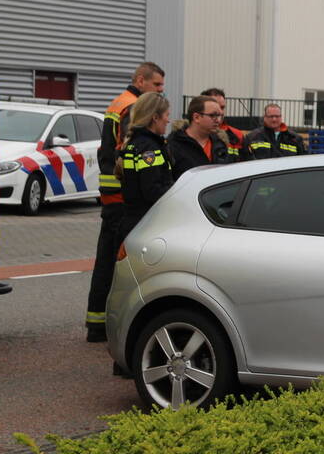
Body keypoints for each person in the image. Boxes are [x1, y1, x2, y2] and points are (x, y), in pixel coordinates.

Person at [85, 62, 165, 342]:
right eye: (156, 85)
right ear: (141, 81)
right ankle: (109, 326)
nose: (159, 91)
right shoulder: (133, 106)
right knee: (118, 264)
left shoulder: (117, 102)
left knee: (106, 259)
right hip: (124, 196)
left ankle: (96, 322)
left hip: (113, 193)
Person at [116, 93, 173, 242]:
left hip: (133, 221)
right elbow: (152, 190)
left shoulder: (135, 142)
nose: (168, 120)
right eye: (167, 115)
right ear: (155, 117)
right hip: (146, 223)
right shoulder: (149, 148)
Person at [168, 95, 231, 181]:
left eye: (220, 116)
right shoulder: (174, 145)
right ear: (196, 117)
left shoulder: (220, 143)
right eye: (213, 115)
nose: (218, 120)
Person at [242, 103, 307, 159]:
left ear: (281, 117)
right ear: (265, 117)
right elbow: (245, 159)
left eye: (277, 116)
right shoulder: (252, 137)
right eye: (271, 116)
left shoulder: (294, 138)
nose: (274, 119)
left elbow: (302, 161)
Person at [201, 87, 245, 160]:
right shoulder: (193, 135)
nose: (221, 112)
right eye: (216, 107)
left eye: (222, 107)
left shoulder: (237, 135)